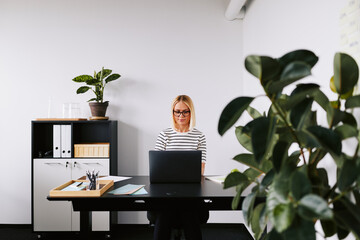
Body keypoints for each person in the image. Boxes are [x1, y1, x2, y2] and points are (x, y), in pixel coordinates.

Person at [152, 95, 208, 240]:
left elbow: (201, 171)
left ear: (191, 112)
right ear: (173, 113)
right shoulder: (164, 135)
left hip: (190, 191)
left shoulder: (199, 136)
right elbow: (157, 168)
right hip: (166, 192)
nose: (181, 115)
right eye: (177, 111)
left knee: (189, 211)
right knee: (165, 213)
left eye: (185, 111)